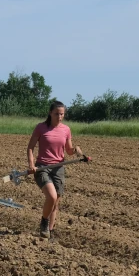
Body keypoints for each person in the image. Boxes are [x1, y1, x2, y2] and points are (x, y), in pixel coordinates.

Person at [27, 101, 90, 239]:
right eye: (57, 114)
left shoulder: (66, 129)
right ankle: (44, 221)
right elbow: (30, 148)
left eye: (62, 114)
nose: (59, 117)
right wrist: (31, 164)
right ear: (50, 113)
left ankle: (50, 231)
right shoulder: (41, 128)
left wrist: (76, 150)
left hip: (58, 168)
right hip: (43, 167)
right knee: (52, 196)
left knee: (55, 203)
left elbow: (68, 150)